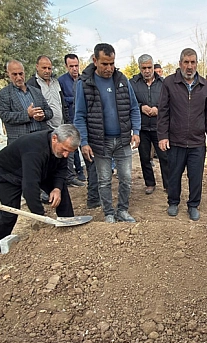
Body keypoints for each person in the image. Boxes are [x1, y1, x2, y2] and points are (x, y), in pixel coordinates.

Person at [0, 125, 80, 262]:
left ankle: (69, 225)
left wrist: (57, 188)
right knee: (10, 210)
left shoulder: (62, 148)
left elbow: (61, 170)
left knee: (61, 192)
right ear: (54, 138)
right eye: (64, 150)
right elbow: (30, 186)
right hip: (8, 175)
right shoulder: (34, 149)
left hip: (41, 171)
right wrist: (39, 216)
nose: (66, 155)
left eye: (70, 152)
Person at [73, 43, 141, 223]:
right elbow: (79, 115)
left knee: (126, 178)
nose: (109, 68)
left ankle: (122, 211)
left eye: (112, 63)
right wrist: (84, 142)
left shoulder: (122, 80)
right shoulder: (85, 84)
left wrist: (136, 130)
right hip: (99, 141)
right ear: (95, 60)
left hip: (123, 139)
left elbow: (134, 108)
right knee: (104, 180)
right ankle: (109, 213)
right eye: (104, 64)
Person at [157, 47, 207, 222]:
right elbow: (163, 111)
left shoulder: (205, 86)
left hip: (197, 142)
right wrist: (162, 135)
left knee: (196, 175)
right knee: (174, 174)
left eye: (192, 62)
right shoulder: (169, 83)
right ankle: (173, 202)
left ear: (197, 64)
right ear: (180, 63)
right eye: (186, 62)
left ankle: (193, 205)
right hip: (175, 141)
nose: (189, 66)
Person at [27, 55, 83, 188]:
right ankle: (53, 184)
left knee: (67, 152)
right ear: (37, 67)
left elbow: (62, 103)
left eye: (49, 68)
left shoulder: (56, 82)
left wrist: (68, 121)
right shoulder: (32, 84)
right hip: (46, 127)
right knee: (51, 157)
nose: (47, 71)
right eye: (44, 68)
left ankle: (69, 177)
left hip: (62, 124)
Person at [130, 54, 168, 194]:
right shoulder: (133, 83)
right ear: (139, 68)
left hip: (160, 128)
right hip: (142, 127)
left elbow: (168, 102)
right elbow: (129, 101)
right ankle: (150, 183)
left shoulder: (163, 83)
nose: (147, 70)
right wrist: (141, 107)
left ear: (153, 66)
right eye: (144, 68)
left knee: (165, 157)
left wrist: (158, 108)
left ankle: (168, 185)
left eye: (149, 67)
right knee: (145, 157)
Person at [0, 60, 53, 145]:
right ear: (8, 74)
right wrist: (27, 114)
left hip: (41, 138)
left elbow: (49, 112)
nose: (19, 77)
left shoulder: (36, 91)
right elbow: (5, 116)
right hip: (20, 141)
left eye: (21, 74)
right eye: (14, 74)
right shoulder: (3, 94)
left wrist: (42, 115)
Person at [58, 54, 86, 184]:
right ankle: (76, 172)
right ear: (66, 66)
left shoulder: (83, 80)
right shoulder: (61, 81)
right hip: (69, 120)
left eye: (76, 65)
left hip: (82, 120)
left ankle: (85, 172)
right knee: (71, 148)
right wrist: (74, 100)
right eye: (71, 66)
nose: (74, 69)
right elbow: (62, 101)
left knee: (84, 145)